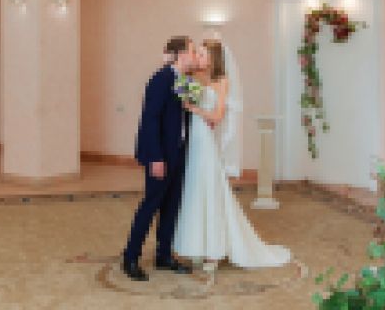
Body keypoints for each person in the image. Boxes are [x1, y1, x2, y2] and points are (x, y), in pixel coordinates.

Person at [174, 39, 291, 273]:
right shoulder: (193, 78)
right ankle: (196, 247)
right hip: (193, 141)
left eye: (202, 54)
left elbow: (217, 117)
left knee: (211, 194)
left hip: (206, 143)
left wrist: (194, 108)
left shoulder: (221, 81)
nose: (198, 57)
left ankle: (214, 252)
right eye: (198, 53)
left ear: (213, 58)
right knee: (195, 192)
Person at [122, 36, 196, 281]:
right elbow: (150, 120)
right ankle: (130, 257)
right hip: (161, 154)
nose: (194, 56)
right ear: (180, 54)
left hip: (179, 152)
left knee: (171, 206)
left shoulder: (185, 81)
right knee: (151, 205)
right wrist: (155, 157)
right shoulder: (160, 78)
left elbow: (189, 112)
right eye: (192, 51)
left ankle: (164, 255)